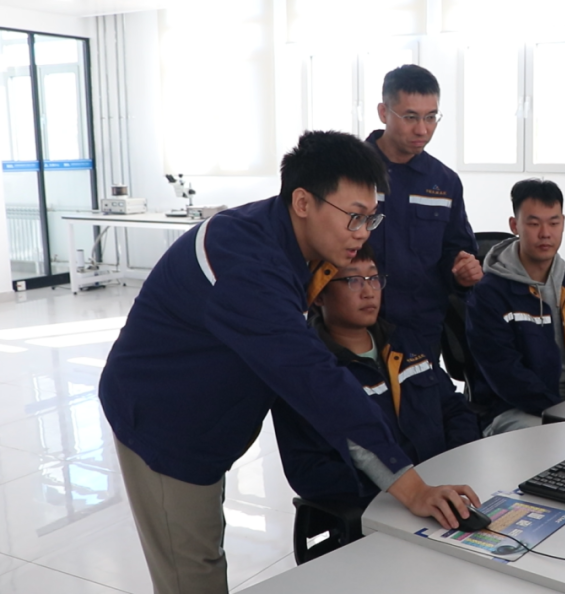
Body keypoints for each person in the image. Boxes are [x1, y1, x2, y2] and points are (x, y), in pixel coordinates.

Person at [98, 131, 480, 594]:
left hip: (212, 408)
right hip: (164, 422)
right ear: (303, 202)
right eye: (354, 217)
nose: (363, 233)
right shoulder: (246, 265)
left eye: (370, 218)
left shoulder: (288, 238)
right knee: (193, 571)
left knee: (203, 541)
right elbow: (316, 381)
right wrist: (413, 489)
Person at [272, 243, 479, 510]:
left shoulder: (405, 342)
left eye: (373, 278)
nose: (369, 291)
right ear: (319, 295)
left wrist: (450, 466)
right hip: (379, 506)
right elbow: (308, 470)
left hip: (444, 488)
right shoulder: (306, 370)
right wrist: (404, 488)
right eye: (353, 281)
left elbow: (455, 409)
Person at [466, 179, 565, 435]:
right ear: (514, 225)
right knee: (559, 442)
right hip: (516, 409)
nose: (545, 233)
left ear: (563, 223)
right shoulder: (490, 294)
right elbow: (507, 375)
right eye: (534, 223)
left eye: (553, 222)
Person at [365, 64, 482, 359]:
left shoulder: (444, 182)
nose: (422, 129)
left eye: (431, 117)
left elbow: (456, 250)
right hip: (355, 327)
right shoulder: (349, 173)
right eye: (410, 117)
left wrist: (464, 271)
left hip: (420, 329)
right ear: (383, 112)